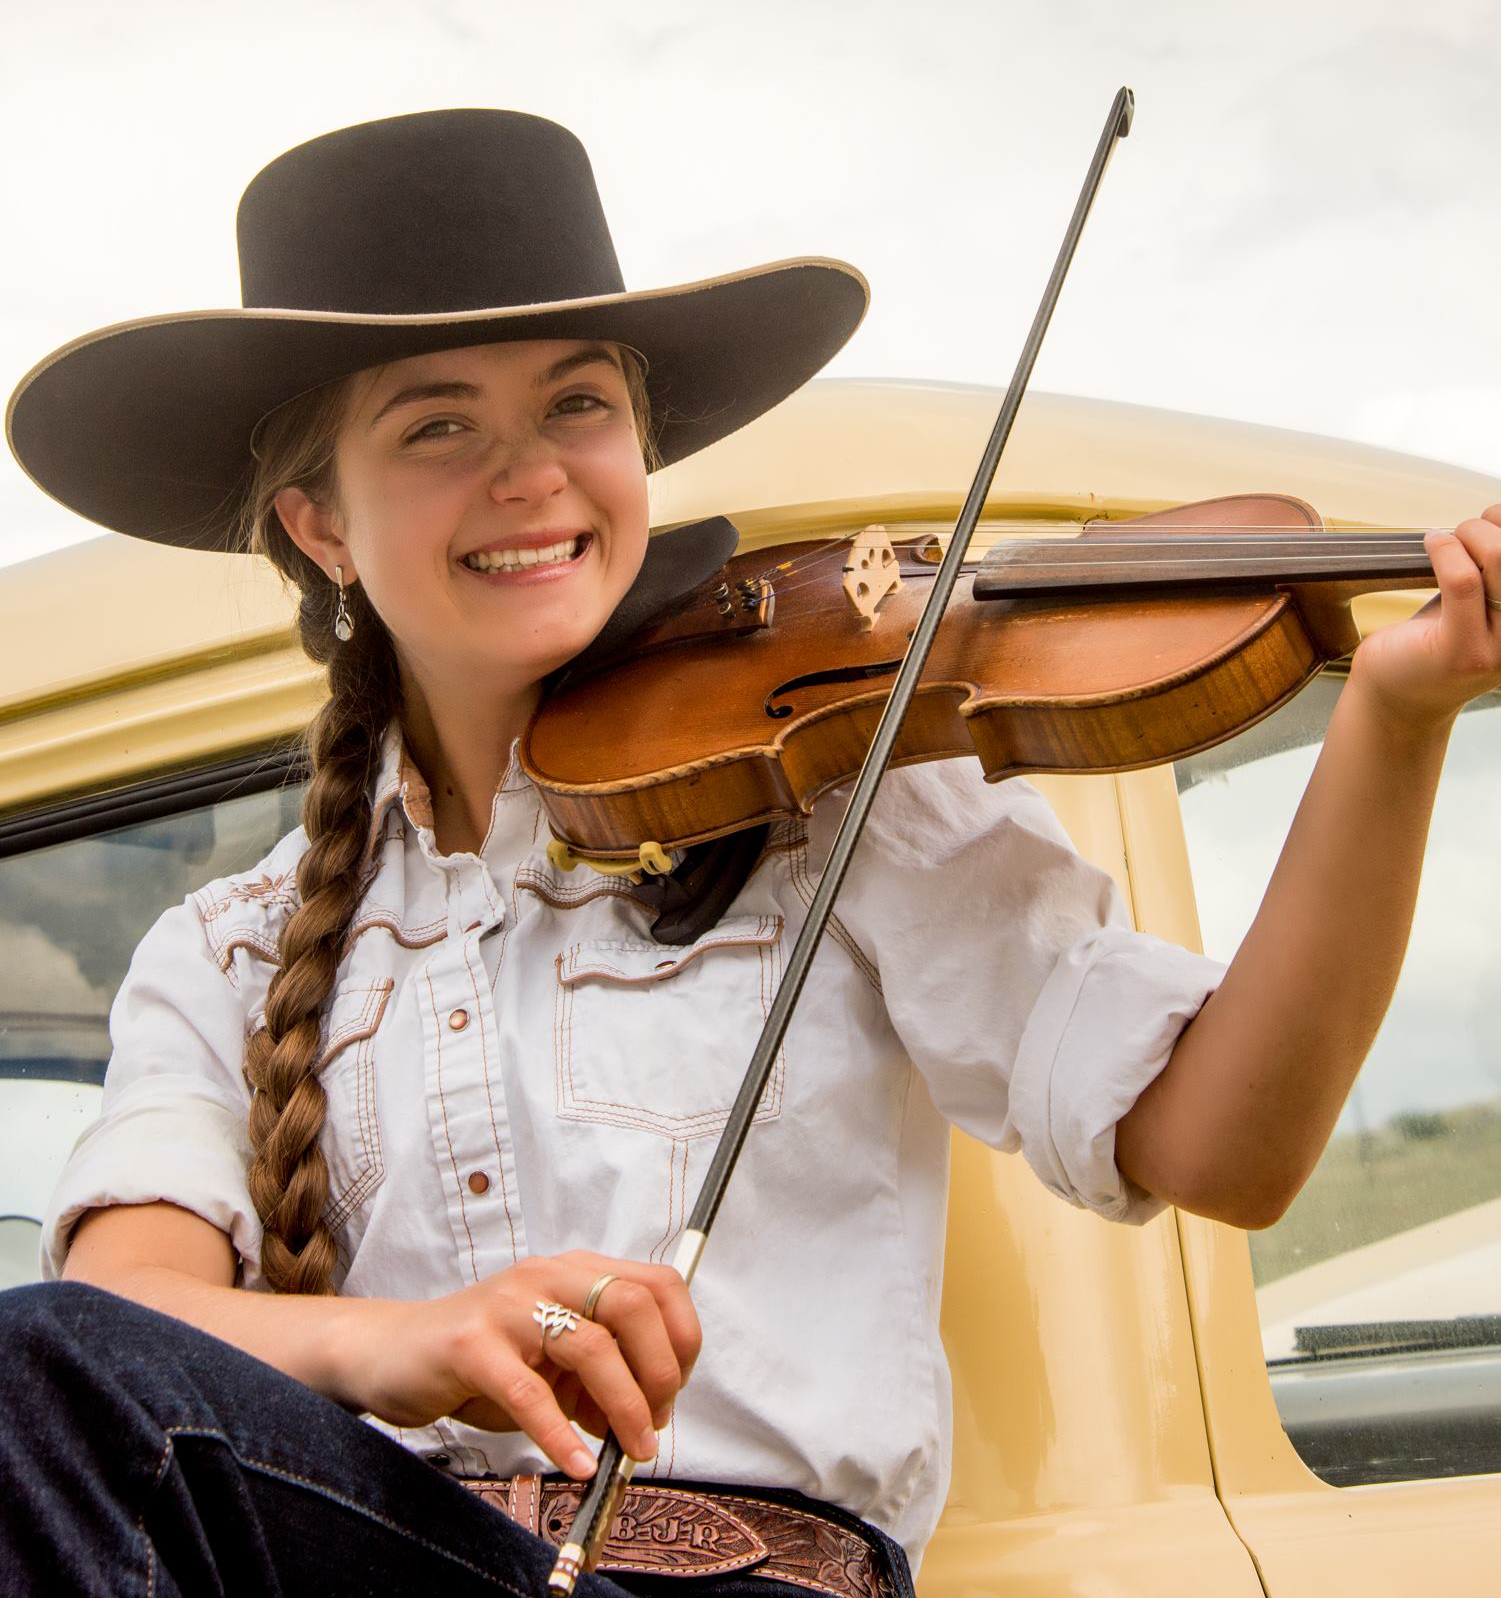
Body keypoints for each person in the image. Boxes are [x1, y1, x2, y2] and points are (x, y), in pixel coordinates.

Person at [2, 108, 1498, 1598]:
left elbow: (1221, 1147)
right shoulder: (232, 949)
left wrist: (1397, 716)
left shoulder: (838, 782)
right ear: (319, 524)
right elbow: (120, 1317)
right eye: (440, 425)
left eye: (579, 406)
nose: (530, 475)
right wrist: (408, 1343)